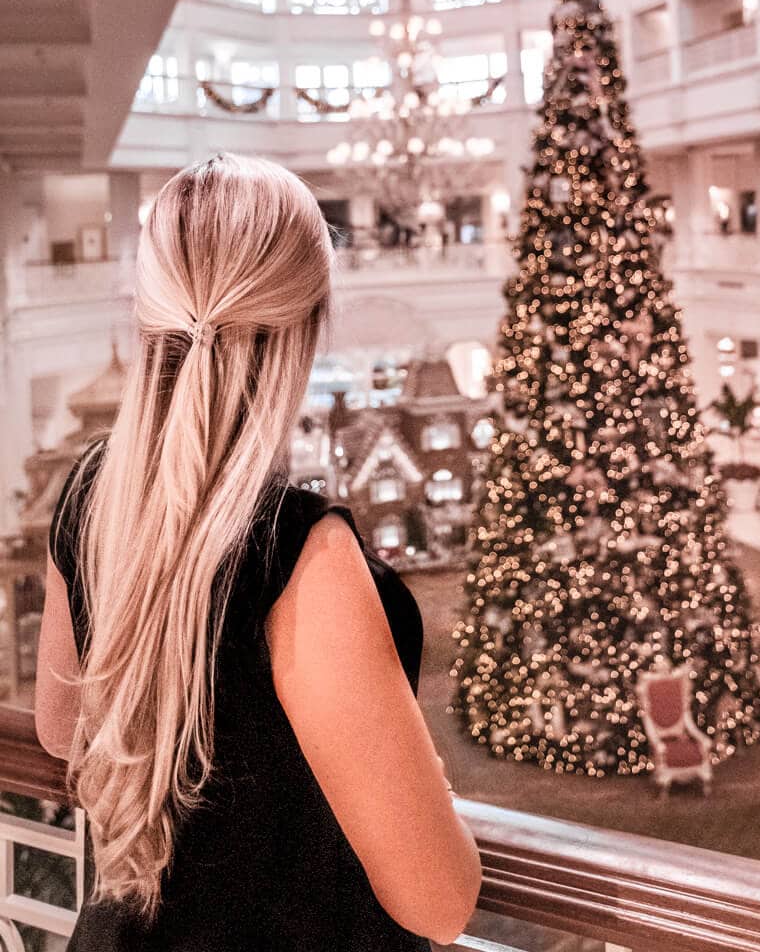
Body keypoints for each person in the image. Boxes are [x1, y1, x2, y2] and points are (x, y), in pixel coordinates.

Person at [34, 152, 481, 950]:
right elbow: (439, 901)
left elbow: (62, 728)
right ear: (308, 324)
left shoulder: (88, 492)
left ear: (150, 315)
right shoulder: (302, 555)